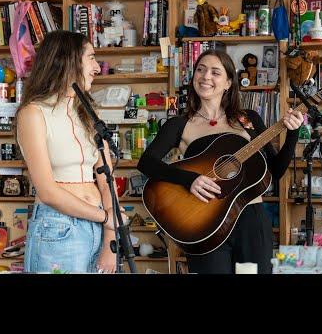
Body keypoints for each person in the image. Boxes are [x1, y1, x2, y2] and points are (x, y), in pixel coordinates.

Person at [137, 49, 303, 273]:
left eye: (215, 72)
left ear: (228, 83)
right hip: (205, 224)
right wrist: (190, 179)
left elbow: (275, 170)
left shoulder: (248, 120)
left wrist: (292, 134)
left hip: (250, 221)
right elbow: (146, 163)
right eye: (201, 70)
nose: (206, 77)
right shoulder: (179, 124)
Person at [17, 30, 128, 273]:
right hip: (58, 227)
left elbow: (106, 177)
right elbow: (47, 191)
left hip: (99, 225)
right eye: (91, 58)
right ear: (67, 60)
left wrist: (110, 236)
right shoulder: (33, 113)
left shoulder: (88, 113)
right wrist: (106, 218)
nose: (97, 68)